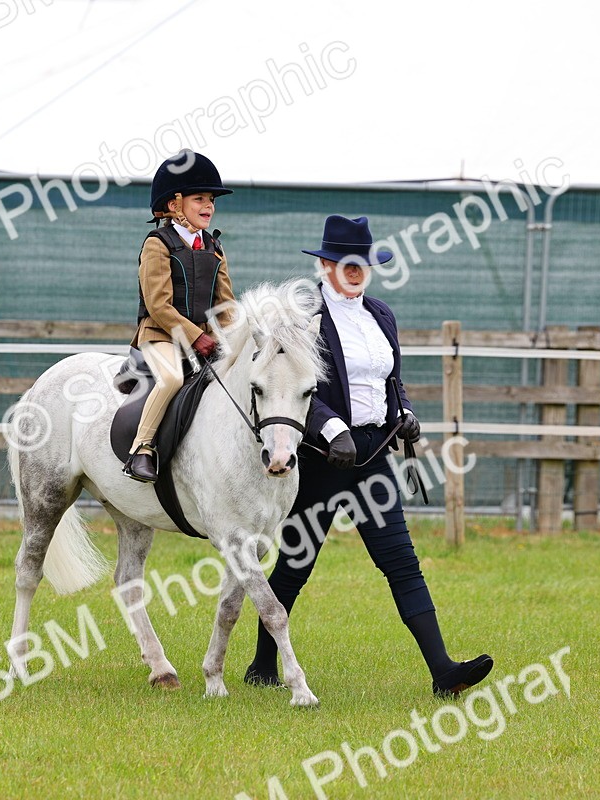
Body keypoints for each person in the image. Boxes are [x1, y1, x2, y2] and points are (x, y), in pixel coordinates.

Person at [243, 215, 493, 697]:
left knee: (401, 561)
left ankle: (443, 670)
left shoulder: (381, 314)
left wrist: (406, 412)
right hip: (321, 458)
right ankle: (261, 665)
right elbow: (288, 387)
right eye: (344, 262)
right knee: (296, 563)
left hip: (373, 455)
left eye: (362, 262)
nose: (355, 270)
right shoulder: (301, 318)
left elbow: (388, 381)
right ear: (324, 264)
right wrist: (332, 428)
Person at [124, 150, 236, 482]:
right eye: (199, 198)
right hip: (161, 334)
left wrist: (232, 339)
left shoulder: (215, 248)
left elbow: (226, 305)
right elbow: (159, 305)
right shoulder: (157, 245)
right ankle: (141, 449)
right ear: (175, 205)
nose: (209, 206)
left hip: (206, 339)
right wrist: (197, 337)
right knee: (172, 378)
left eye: (211, 200)